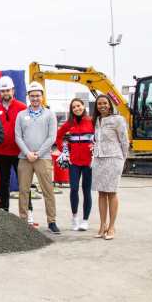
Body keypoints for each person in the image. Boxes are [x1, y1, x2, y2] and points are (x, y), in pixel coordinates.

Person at [15, 82, 60, 234]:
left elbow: (52, 137)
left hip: (44, 158)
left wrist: (38, 153)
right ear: (28, 97)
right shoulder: (21, 115)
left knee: (48, 190)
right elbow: (18, 136)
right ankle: (23, 220)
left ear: (42, 96)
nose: (35, 98)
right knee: (23, 190)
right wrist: (27, 153)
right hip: (24, 157)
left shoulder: (49, 114)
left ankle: (52, 221)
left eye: (38, 95)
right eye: (32, 96)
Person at [0, 75, 34, 221]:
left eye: (8, 90)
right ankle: (4, 211)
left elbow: (29, 130)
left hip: (20, 153)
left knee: (24, 183)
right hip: (2, 153)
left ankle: (28, 212)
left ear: (13, 90)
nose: (5, 93)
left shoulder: (23, 107)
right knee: (4, 183)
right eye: (2, 91)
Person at [91, 95, 128, 240]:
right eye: (99, 104)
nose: (102, 106)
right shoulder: (97, 120)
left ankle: (112, 227)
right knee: (101, 193)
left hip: (113, 159)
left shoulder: (118, 120)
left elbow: (124, 141)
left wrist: (122, 159)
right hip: (99, 159)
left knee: (112, 193)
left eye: (105, 103)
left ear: (110, 104)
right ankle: (102, 226)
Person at [56, 98, 95, 231]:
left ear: (83, 106)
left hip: (88, 163)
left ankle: (85, 220)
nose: (77, 108)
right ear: (71, 110)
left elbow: (99, 137)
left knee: (86, 190)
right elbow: (59, 136)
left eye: (79, 106)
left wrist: (95, 148)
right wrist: (65, 151)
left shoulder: (91, 122)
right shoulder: (68, 124)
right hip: (74, 163)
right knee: (73, 189)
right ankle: (75, 217)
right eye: (74, 107)